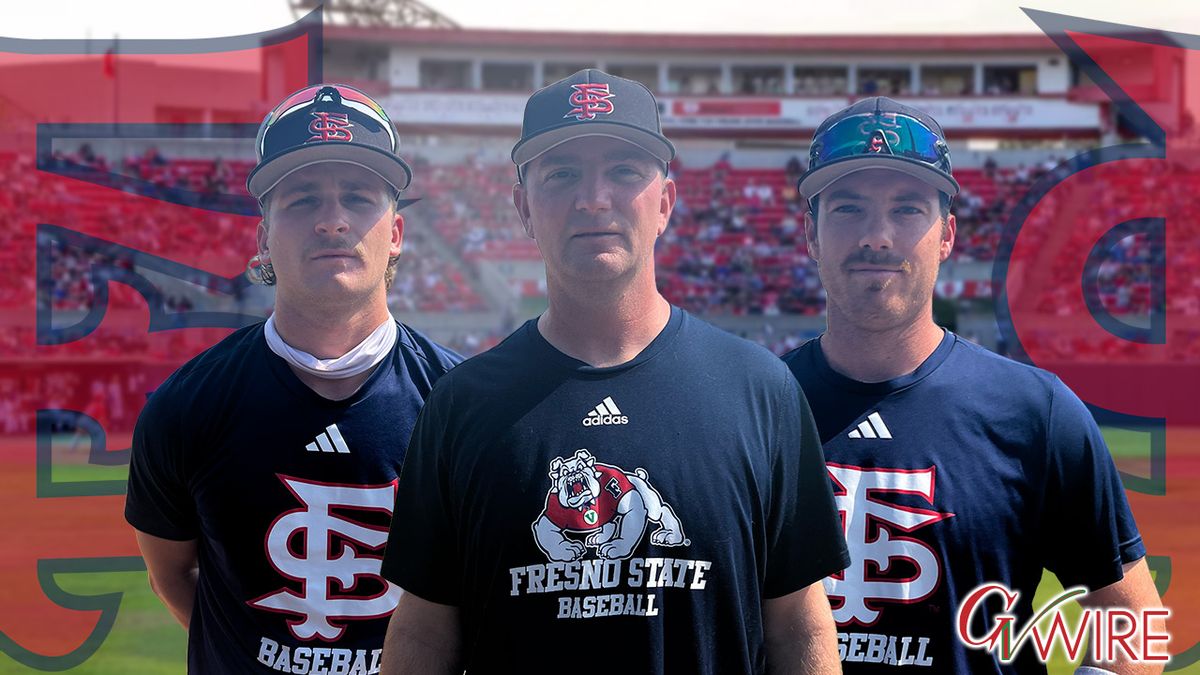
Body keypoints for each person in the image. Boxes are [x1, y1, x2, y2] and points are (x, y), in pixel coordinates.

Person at [379, 69, 849, 674]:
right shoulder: (462, 404)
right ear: (523, 207)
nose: (592, 198)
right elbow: (423, 633)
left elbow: (799, 626)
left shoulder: (760, 390)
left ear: (665, 204)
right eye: (562, 174)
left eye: (624, 172)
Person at [782, 96, 1163, 673]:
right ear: (809, 234)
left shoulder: (1034, 411)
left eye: (908, 209)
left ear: (947, 236)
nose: (877, 236)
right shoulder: (753, 406)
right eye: (847, 209)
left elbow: (1132, 623)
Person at [124, 84, 461, 673]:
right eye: (302, 200)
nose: (332, 222)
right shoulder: (187, 407)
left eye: (357, 198)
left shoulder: (461, 404)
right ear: (264, 239)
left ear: (397, 235)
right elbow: (171, 576)